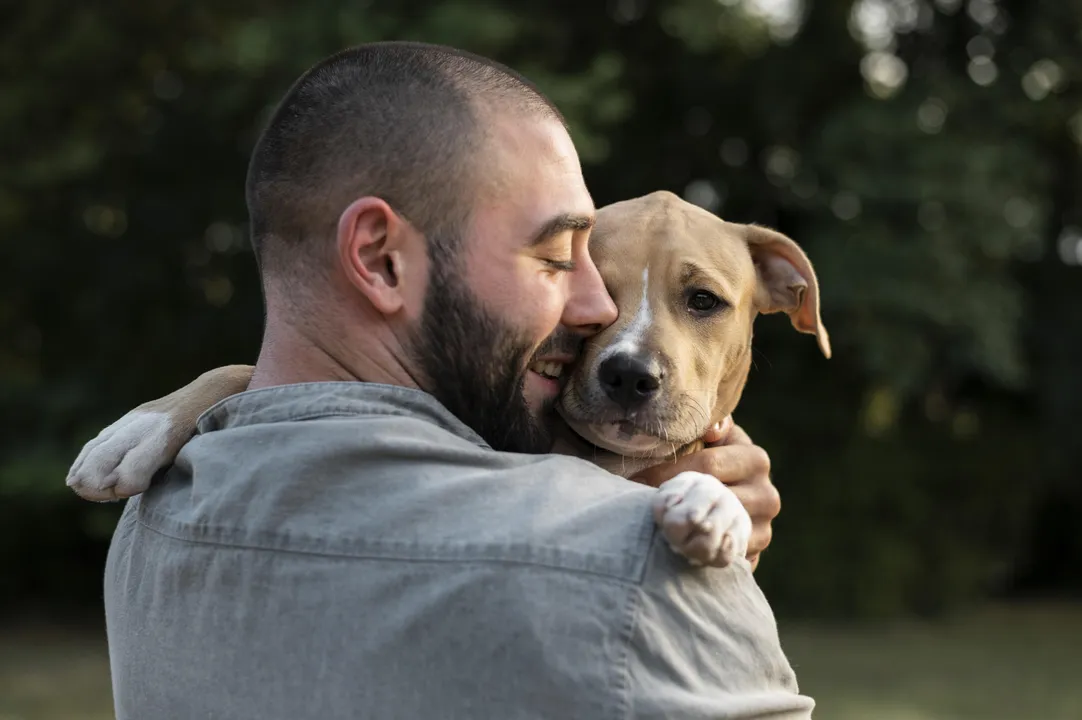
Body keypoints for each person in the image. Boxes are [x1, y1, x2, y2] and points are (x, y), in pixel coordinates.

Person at [103, 41, 814, 719]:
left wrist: (227, 392)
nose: (596, 312)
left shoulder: (151, 518)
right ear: (379, 260)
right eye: (553, 259)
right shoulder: (632, 577)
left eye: (701, 302)